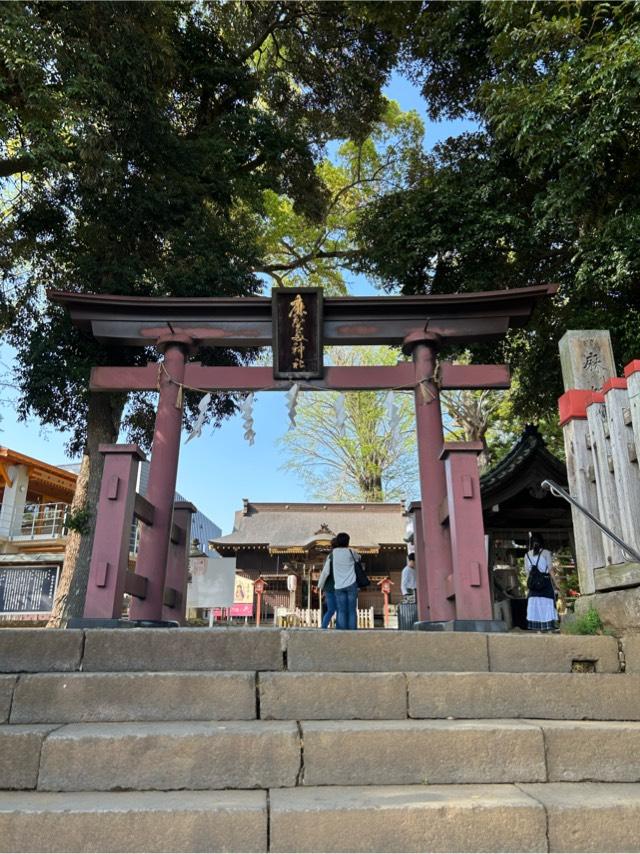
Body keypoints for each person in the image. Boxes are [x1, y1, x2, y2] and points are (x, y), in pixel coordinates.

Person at [318, 531, 358, 630]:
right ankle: (353, 632)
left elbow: (325, 572)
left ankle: (341, 632)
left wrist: (320, 586)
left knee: (341, 610)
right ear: (348, 542)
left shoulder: (332, 554)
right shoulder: (351, 551)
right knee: (352, 610)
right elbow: (358, 558)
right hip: (351, 583)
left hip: (339, 586)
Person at [525, 533, 558, 632]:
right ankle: (548, 629)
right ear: (542, 542)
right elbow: (551, 570)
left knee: (535, 606)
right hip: (545, 583)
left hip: (533, 585)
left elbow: (527, 572)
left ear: (531, 543)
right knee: (547, 604)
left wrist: (529, 586)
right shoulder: (546, 553)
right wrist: (556, 584)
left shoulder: (527, 555)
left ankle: (538, 630)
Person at [320, 538, 337, 629]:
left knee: (331, 610)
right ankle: (340, 627)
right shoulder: (338, 556)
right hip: (339, 586)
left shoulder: (329, 556)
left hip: (328, 587)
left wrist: (321, 586)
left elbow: (325, 572)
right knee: (340, 609)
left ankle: (323, 626)